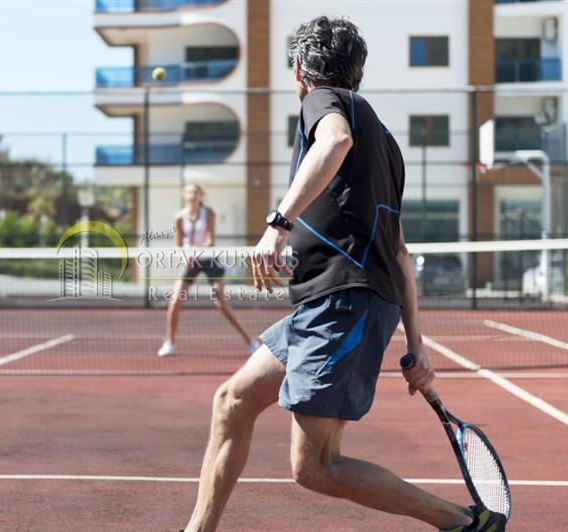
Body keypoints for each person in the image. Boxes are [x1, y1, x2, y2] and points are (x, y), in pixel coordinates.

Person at [182, 16, 506, 532]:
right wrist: (417, 344)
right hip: (327, 303)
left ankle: (465, 524)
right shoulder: (388, 146)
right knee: (232, 402)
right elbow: (399, 251)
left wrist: (278, 224)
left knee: (316, 467)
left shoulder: (324, 102)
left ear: (298, 71)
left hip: (342, 303)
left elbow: (334, 142)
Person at [157, 183, 260, 357]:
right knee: (175, 301)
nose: (193, 196)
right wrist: (184, 256)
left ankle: (250, 341)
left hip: (208, 259)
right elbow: (178, 245)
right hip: (190, 262)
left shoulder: (208, 213)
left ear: (200, 196)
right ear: (184, 196)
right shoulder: (179, 217)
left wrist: (194, 249)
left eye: (196, 193)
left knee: (221, 303)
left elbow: (210, 241)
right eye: (189, 193)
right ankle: (170, 342)